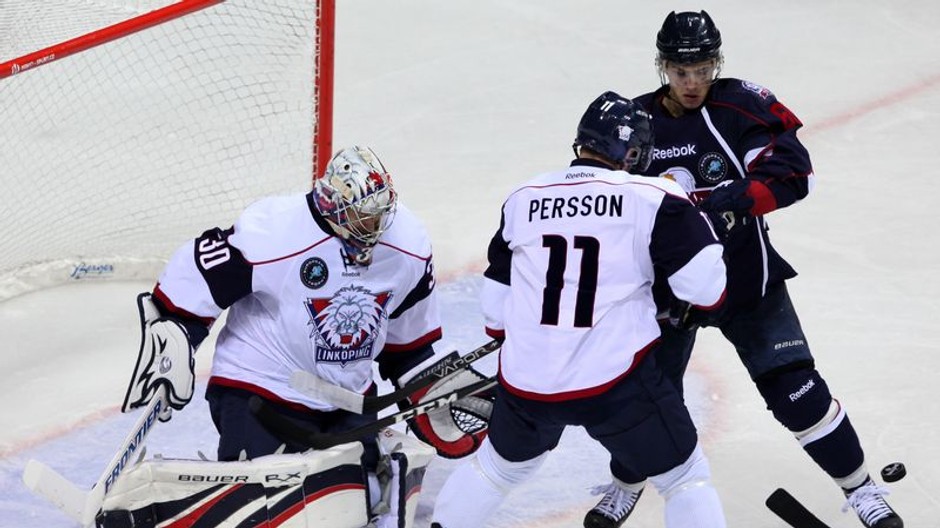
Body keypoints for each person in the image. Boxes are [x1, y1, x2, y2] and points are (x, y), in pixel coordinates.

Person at [586, 10, 902, 528]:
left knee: (798, 393)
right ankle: (626, 483)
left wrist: (736, 200)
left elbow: (795, 173)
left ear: (717, 62)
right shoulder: (634, 120)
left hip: (745, 281)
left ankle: (862, 490)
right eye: (682, 71)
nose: (693, 83)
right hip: (667, 291)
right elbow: (600, 190)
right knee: (644, 398)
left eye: (704, 68)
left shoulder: (738, 105)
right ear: (663, 66)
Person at [118, 145, 489, 524]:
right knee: (265, 509)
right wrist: (178, 334)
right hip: (262, 391)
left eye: (377, 217)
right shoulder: (277, 229)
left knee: (360, 506)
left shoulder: (407, 244)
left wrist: (426, 387)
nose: (373, 228)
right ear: (332, 205)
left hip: (347, 402)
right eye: (361, 218)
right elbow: (198, 271)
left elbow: (407, 343)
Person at [430, 91, 729, 528]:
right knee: (684, 478)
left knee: (496, 470)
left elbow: (495, 312)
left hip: (527, 383)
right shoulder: (653, 196)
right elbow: (706, 290)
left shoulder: (523, 197)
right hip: (616, 383)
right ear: (631, 152)